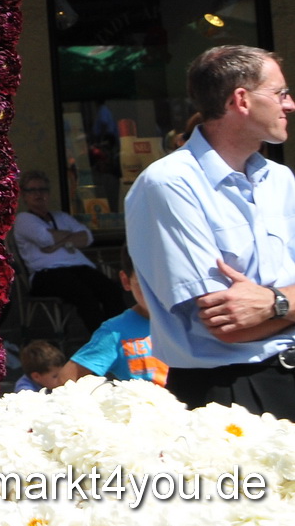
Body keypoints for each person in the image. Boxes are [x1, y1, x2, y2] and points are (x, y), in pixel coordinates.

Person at [126, 45, 295, 418]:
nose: (290, 105)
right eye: (280, 93)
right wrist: (283, 299)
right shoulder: (169, 184)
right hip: (232, 394)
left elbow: (254, 313)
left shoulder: (280, 180)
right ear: (241, 100)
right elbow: (228, 327)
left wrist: (275, 304)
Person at [12, 169, 126, 334]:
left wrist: (58, 241)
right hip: (47, 274)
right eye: (32, 190)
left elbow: (87, 237)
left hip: (79, 269)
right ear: (24, 195)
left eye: (43, 189)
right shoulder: (24, 219)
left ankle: (122, 337)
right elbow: (45, 239)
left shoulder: (61, 217)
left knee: (112, 290)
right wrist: (69, 238)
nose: (38, 194)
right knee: (84, 295)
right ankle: (102, 342)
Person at [52, 248, 167, 387]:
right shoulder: (114, 331)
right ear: (126, 281)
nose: (154, 292)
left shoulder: (194, 322)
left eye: (165, 281)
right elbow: (66, 380)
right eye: (143, 283)